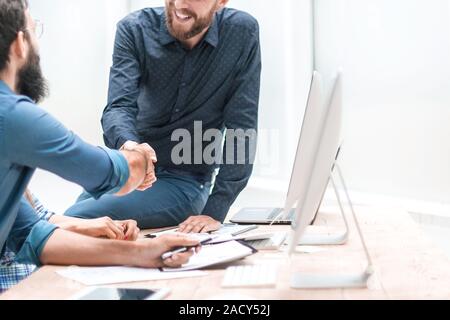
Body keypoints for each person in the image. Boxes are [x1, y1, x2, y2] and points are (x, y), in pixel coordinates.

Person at [0, 0, 199, 285]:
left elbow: (31, 234)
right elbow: (115, 174)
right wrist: (139, 157)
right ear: (20, 44)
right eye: (35, 31)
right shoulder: (13, 116)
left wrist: (144, 252)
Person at [65, 0, 262, 233]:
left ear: (221, 2)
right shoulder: (134, 29)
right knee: (76, 221)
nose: (180, 3)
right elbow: (118, 107)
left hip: (185, 181)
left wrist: (214, 210)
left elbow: (242, 125)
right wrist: (132, 147)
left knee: (74, 219)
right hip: (131, 169)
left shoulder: (241, 32)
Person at [0, 191, 141, 293]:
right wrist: (82, 227)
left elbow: (42, 216)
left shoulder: (12, 169)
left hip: (39, 283)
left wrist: (106, 225)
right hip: (15, 291)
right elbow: (23, 238)